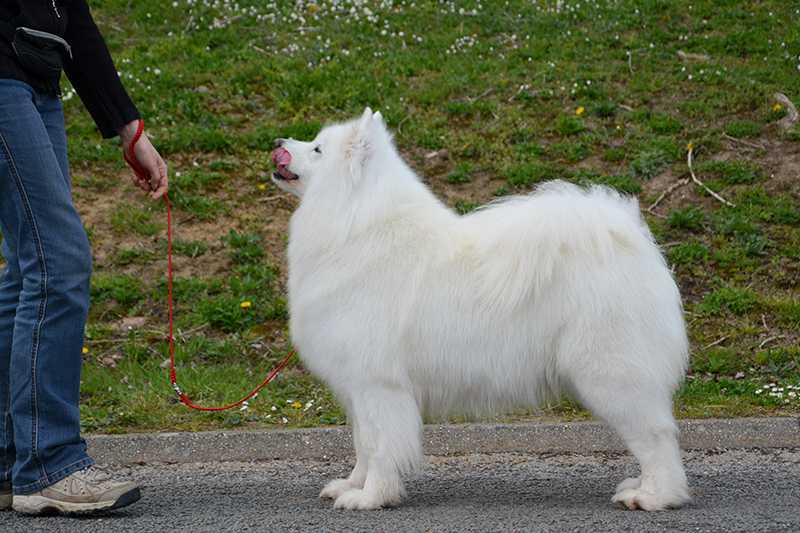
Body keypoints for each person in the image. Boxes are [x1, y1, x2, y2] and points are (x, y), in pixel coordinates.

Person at [0, 0, 167, 514]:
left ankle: (11, 463)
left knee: (31, 270)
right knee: (59, 261)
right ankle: (49, 464)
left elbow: (71, 12)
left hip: (37, 75)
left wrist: (127, 125)